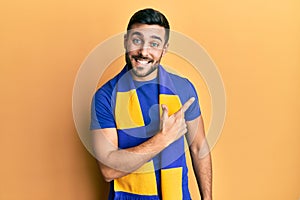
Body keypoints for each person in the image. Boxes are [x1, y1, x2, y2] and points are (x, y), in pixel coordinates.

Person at [91, 8, 212, 200]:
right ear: (125, 41)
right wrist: (163, 139)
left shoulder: (183, 88)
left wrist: (207, 198)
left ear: (164, 49)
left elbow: (198, 147)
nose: (144, 51)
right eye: (137, 40)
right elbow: (109, 170)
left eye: (154, 44)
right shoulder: (105, 96)